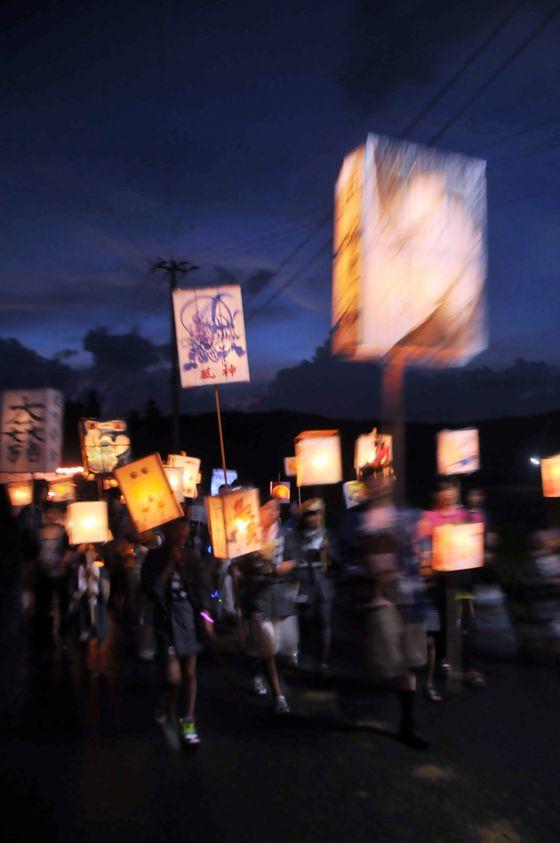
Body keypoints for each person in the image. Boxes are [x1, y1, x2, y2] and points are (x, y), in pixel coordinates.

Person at [358, 463, 428, 749]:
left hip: (407, 593)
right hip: (380, 595)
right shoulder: (358, 521)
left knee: (410, 661)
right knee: (393, 657)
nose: (377, 484)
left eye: (381, 479)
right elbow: (351, 559)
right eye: (371, 480)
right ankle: (405, 719)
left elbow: (421, 550)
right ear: (364, 486)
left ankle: (407, 723)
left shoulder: (407, 516)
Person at [141, 517, 213, 746]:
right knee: (173, 677)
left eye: (185, 527)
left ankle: (188, 719)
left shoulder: (193, 556)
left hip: (188, 617)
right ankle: (167, 703)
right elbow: (151, 591)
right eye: (177, 527)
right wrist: (170, 564)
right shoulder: (154, 557)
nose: (183, 532)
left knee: (190, 673)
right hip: (165, 618)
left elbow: (207, 590)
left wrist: (207, 616)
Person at [234, 498, 298, 714]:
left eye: (276, 508)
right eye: (268, 508)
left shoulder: (284, 535)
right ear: (257, 511)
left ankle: (260, 673)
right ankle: (278, 696)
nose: (273, 511)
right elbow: (237, 564)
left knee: (275, 644)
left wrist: (280, 567)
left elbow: (294, 559)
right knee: (267, 645)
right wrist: (235, 568)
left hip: (277, 595)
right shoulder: (248, 536)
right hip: (256, 597)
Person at [293, 499, 336, 676]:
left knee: (325, 624)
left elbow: (337, 561)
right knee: (304, 623)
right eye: (309, 513)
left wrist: (328, 550)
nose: (313, 517)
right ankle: (304, 659)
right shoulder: (296, 535)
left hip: (322, 586)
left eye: (316, 513)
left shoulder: (326, 534)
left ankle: (324, 663)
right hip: (303, 584)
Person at [67, 542, 111, 672]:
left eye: (91, 552)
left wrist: (95, 579)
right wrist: (81, 592)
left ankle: (101, 659)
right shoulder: (76, 572)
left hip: (97, 607)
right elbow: (71, 591)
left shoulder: (102, 571)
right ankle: (87, 659)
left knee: (100, 634)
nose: (88, 555)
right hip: (83, 607)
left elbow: (106, 593)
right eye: (85, 553)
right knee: (84, 634)